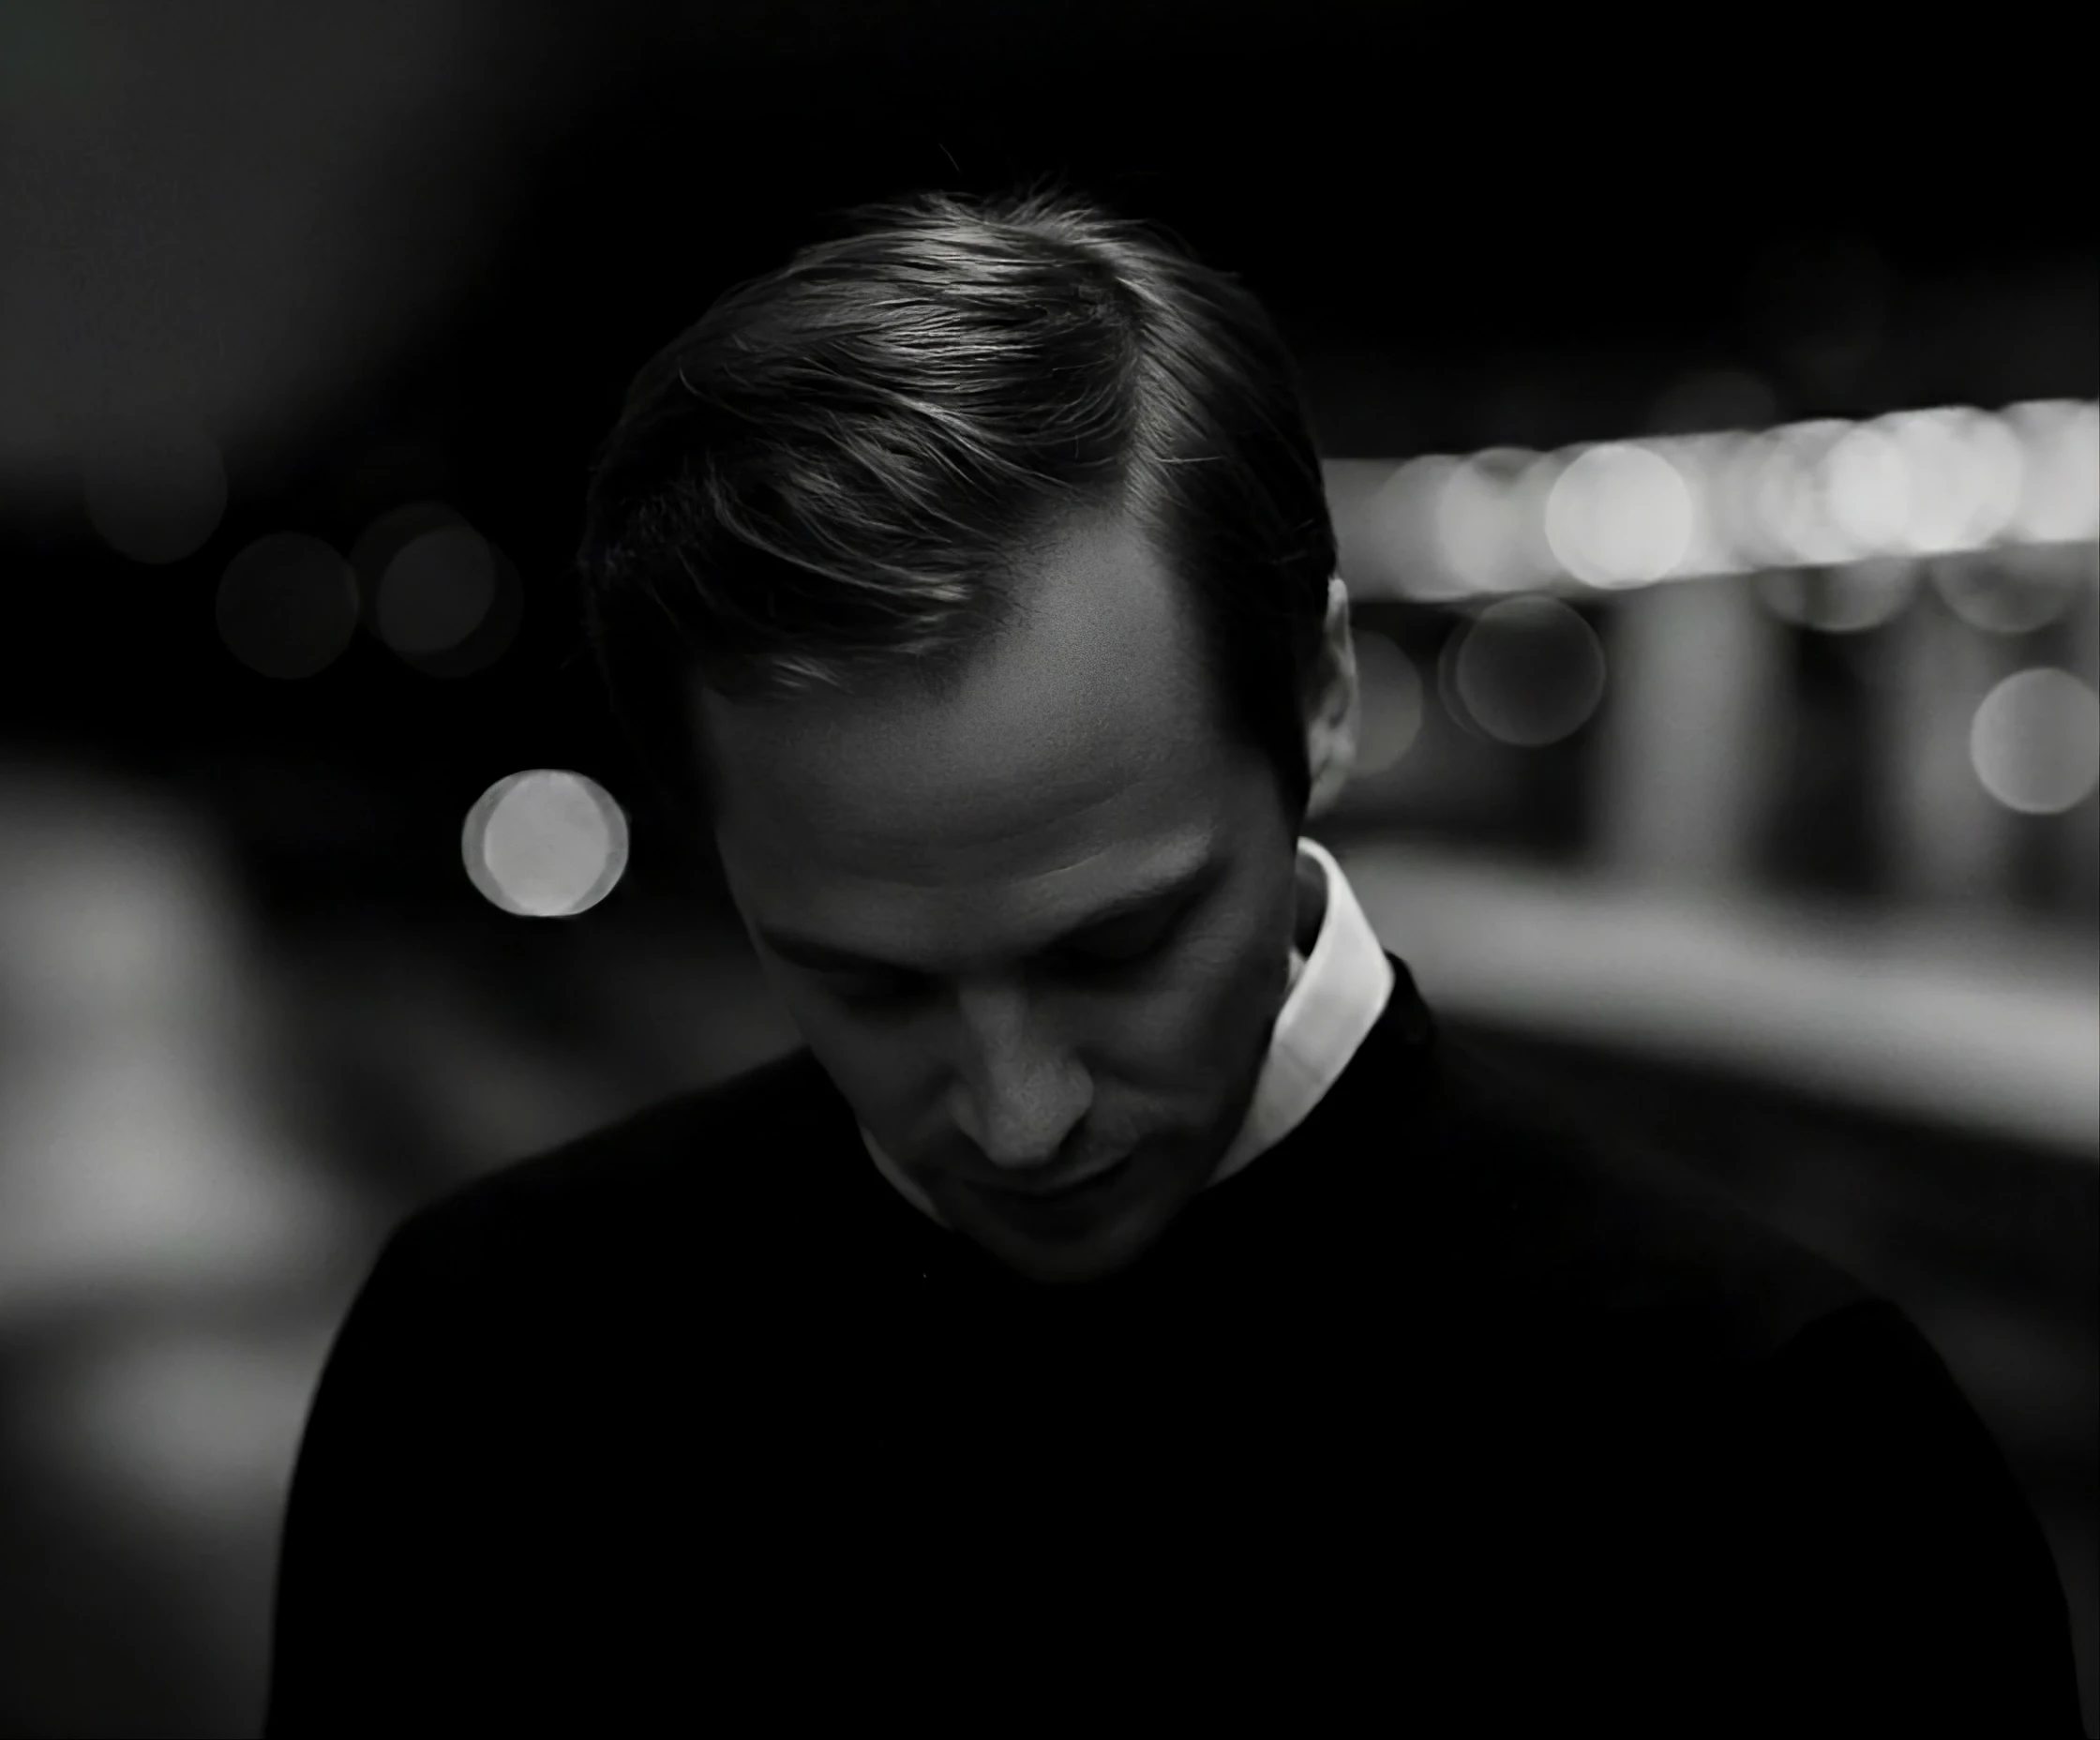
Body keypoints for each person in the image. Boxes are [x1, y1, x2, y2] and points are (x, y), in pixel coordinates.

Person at [261, 180, 2085, 1733]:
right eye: (868, 982)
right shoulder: (490, 1369)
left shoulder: (1788, 1459)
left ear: (1322, 694)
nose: (1018, 1110)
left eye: (1118, 945)